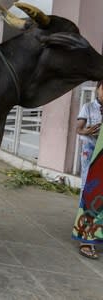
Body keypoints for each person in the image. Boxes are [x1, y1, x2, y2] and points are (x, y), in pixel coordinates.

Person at [73, 80, 103, 259]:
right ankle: (85, 239)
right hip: (90, 152)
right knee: (89, 192)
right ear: (97, 89)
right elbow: (78, 129)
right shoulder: (88, 107)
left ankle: (95, 234)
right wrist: (88, 131)